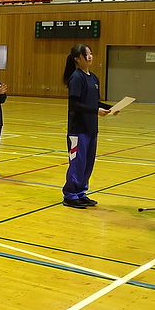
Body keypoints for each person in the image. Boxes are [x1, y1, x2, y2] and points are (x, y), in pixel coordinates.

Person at [62, 44, 119, 209]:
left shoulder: (93, 78)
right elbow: (74, 104)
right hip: (78, 129)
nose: (90, 56)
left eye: (91, 53)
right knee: (77, 163)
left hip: (91, 128)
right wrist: (96, 110)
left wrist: (109, 108)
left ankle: (81, 192)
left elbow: (94, 102)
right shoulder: (76, 78)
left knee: (88, 163)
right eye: (86, 54)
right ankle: (70, 195)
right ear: (77, 59)